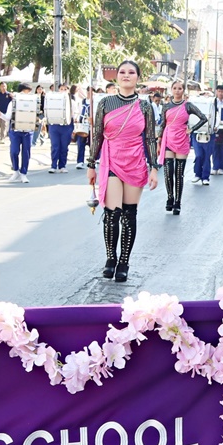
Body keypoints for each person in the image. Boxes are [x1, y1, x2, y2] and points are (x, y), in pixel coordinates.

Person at [87, 60, 159, 283]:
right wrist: (91, 164)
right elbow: (97, 135)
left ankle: (124, 262)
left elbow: (150, 139)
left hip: (135, 162)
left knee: (129, 214)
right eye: (122, 72)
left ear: (138, 77)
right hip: (111, 160)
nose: (126, 75)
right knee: (112, 214)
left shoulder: (145, 106)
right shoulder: (105, 103)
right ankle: (110, 259)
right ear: (116, 76)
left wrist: (154, 167)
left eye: (131, 72)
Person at [158, 79, 207, 215]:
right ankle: (170, 197)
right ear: (171, 90)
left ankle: (177, 202)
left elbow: (203, 118)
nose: (177, 91)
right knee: (168, 172)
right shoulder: (166, 106)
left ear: (183, 90)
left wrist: (192, 129)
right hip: (168, 139)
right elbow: (162, 124)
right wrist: (159, 140)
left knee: (179, 173)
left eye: (180, 88)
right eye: (175, 88)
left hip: (182, 140)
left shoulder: (188, 106)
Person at [6, 83, 36, 183]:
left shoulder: (33, 102)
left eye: (28, 92)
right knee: (14, 151)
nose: (26, 94)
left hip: (28, 131)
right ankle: (16, 170)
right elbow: (8, 117)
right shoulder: (13, 102)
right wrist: (0, 114)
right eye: (24, 92)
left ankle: (24, 173)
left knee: (26, 153)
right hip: (16, 130)